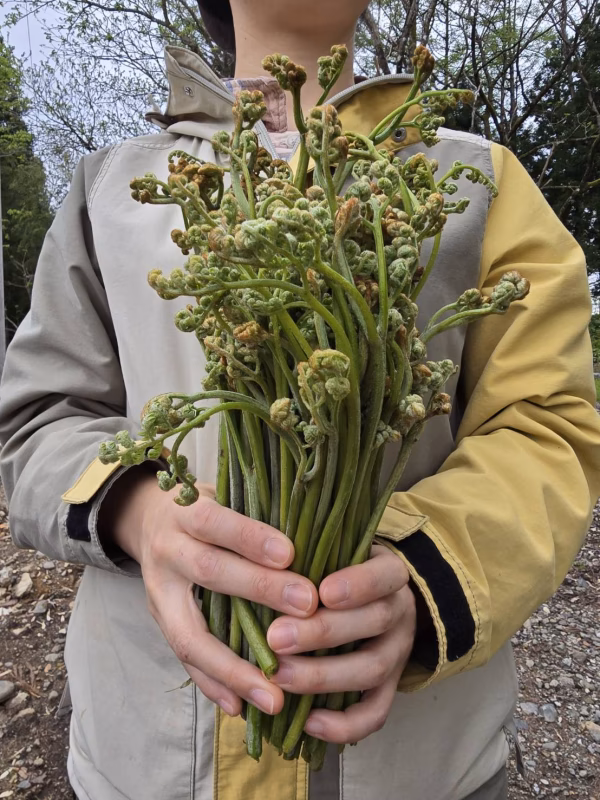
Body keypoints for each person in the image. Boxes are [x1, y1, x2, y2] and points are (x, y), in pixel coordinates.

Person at [1, 1, 599, 798]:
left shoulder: (477, 182)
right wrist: (138, 510)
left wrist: (424, 577)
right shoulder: (113, 187)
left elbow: (550, 427)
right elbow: (35, 419)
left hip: (420, 769)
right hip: (145, 761)